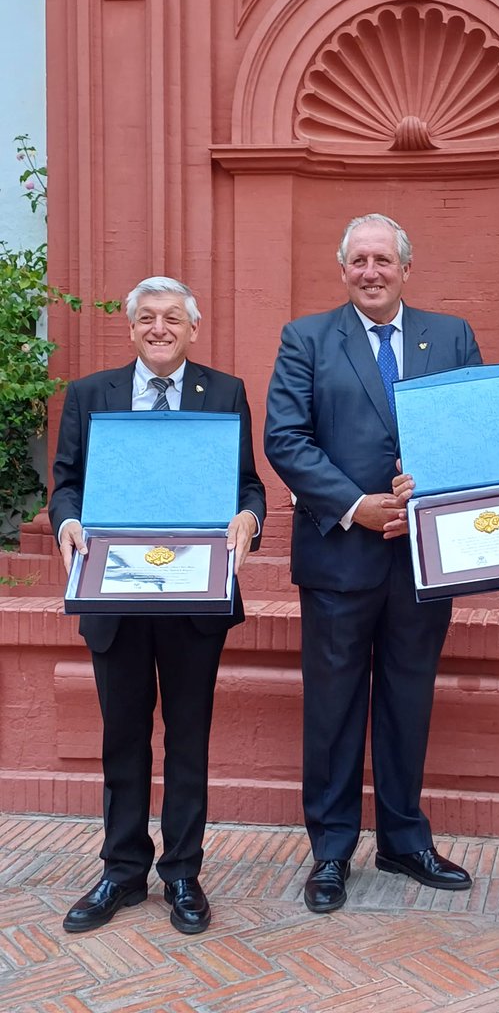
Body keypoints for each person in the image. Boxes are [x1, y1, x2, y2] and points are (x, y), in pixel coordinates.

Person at [264, 213, 481, 914]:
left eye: (383, 259)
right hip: (340, 555)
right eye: (358, 260)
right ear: (342, 268)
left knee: (407, 701)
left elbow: (473, 429)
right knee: (332, 708)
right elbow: (285, 438)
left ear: (405, 268)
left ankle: (403, 840)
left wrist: (437, 489)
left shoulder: (452, 336)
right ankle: (331, 851)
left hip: (424, 558)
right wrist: (355, 505)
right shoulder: (306, 339)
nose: (370, 272)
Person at [50, 277, 266, 935]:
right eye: (147, 318)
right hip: (114, 595)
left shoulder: (225, 392)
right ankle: (121, 870)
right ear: (131, 329)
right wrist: (67, 524)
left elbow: (248, 485)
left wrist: (249, 519)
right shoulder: (91, 395)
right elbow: (66, 484)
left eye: (173, 317)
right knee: (122, 738)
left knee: (188, 739)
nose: (159, 328)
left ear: (193, 329)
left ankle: (182, 873)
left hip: (193, 598)